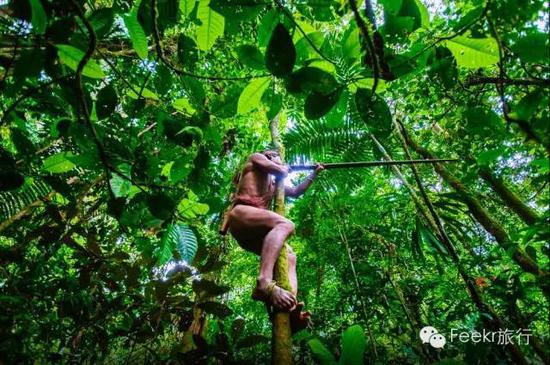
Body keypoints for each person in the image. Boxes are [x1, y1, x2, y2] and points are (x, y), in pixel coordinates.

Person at [222, 149, 323, 332]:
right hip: (242, 214)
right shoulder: (256, 158)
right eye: (274, 154)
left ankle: (288, 305)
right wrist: (283, 168)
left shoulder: (274, 183)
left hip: (255, 231)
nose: (277, 156)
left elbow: (296, 191)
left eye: (278, 155)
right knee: (285, 225)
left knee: (290, 256)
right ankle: (263, 282)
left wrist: (314, 173)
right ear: (267, 155)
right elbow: (281, 170)